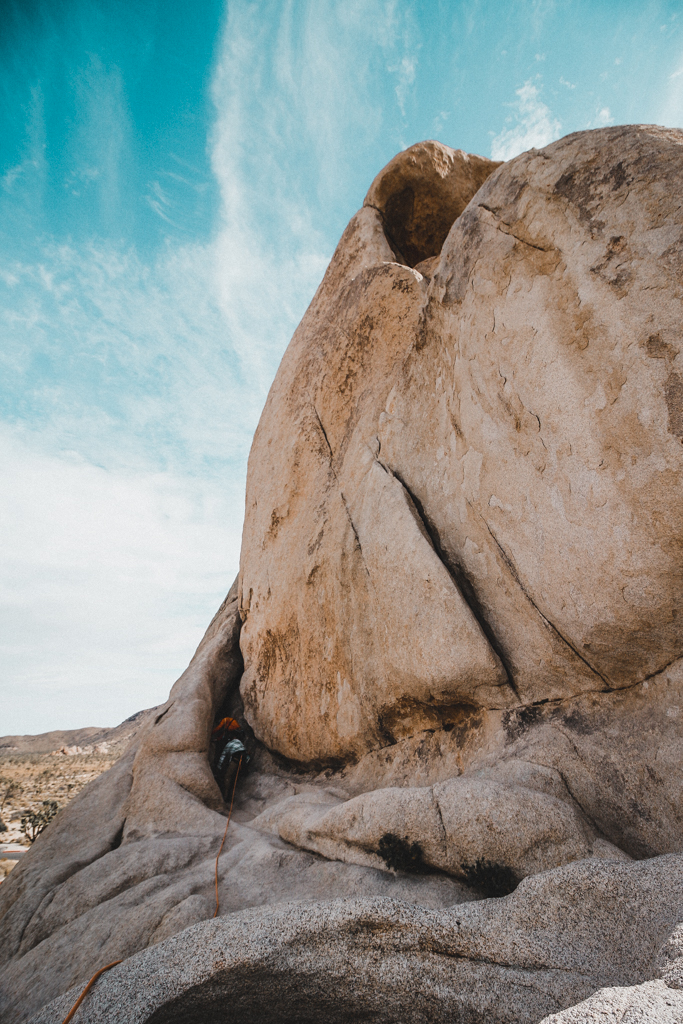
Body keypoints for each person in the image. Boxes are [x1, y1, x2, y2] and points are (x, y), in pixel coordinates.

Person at [211, 716, 251, 801]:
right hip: (242, 760)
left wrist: (218, 768)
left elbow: (223, 757)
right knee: (235, 775)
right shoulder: (240, 743)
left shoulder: (229, 745)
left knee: (227, 777)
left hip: (236, 760)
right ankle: (243, 771)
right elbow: (246, 754)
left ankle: (226, 797)